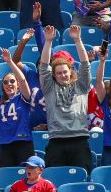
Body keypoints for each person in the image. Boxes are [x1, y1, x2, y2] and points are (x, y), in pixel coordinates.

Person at [39, 25, 94, 169]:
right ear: (54, 75)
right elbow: (44, 67)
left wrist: (77, 40)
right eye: (59, 73)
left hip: (79, 139)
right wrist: (48, 42)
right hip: (56, 141)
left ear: (70, 71)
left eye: (65, 72)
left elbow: (85, 64)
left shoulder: (81, 86)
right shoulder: (49, 88)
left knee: (81, 177)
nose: (63, 75)